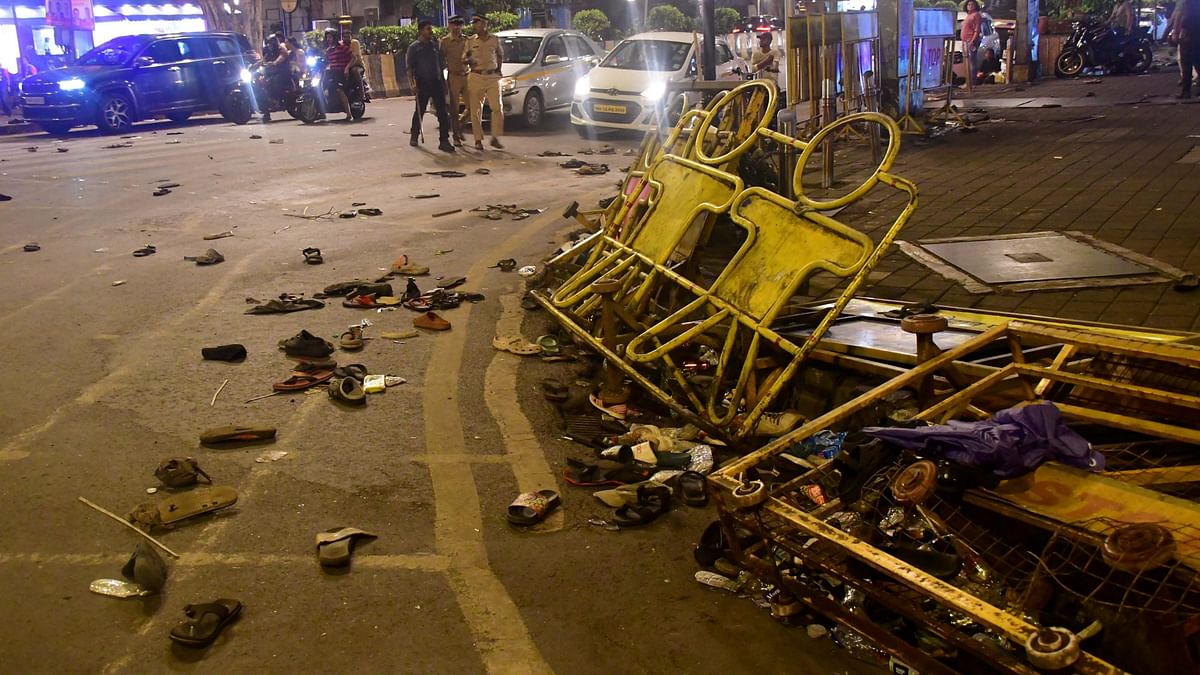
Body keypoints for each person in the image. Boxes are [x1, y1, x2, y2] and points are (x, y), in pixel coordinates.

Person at [407, 21, 455, 153]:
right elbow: (410, 68)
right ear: (421, 31)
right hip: (422, 83)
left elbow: (440, 65)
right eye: (428, 29)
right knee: (419, 111)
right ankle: (414, 134)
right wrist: (412, 84)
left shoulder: (435, 46)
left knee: (443, 113)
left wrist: (444, 84)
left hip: (436, 82)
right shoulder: (414, 48)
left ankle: (444, 140)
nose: (431, 31)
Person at [464, 14, 505, 150]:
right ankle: (477, 139)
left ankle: (495, 137)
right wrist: (468, 61)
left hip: (492, 76)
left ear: (484, 24)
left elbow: (500, 54)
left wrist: (499, 69)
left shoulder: (494, 39)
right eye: (473, 23)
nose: (474, 25)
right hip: (476, 76)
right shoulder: (470, 41)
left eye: (477, 23)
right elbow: (463, 58)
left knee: (497, 108)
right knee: (475, 110)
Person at [440, 15, 469, 147]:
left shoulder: (467, 40)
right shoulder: (445, 42)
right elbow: (441, 60)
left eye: (459, 24)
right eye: (454, 24)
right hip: (453, 76)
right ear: (449, 25)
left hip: (466, 75)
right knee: (454, 108)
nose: (456, 27)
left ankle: (460, 125)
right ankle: (456, 135)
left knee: (472, 106)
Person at [1171, 0, 1200, 97]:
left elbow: (1178, 17)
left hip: (1187, 34)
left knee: (1186, 64)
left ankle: (1186, 91)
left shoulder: (1184, 2)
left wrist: (1175, 32)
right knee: (1197, 62)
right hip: (1197, 33)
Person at [324, 27, 354, 120]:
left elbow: (353, 58)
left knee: (338, 89)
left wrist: (347, 68)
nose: (328, 39)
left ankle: (349, 114)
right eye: (327, 37)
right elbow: (326, 62)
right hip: (332, 73)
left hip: (341, 73)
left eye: (330, 37)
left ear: (335, 37)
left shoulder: (343, 48)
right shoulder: (328, 51)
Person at [961, 0, 983, 91]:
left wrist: (972, 41)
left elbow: (977, 29)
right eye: (968, 4)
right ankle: (968, 82)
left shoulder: (976, 15)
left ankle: (972, 83)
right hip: (965, 41)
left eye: (972, 5)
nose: (970, 6)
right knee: (967, 63)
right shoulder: (968, 16)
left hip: (971, 41)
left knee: (972, 63)